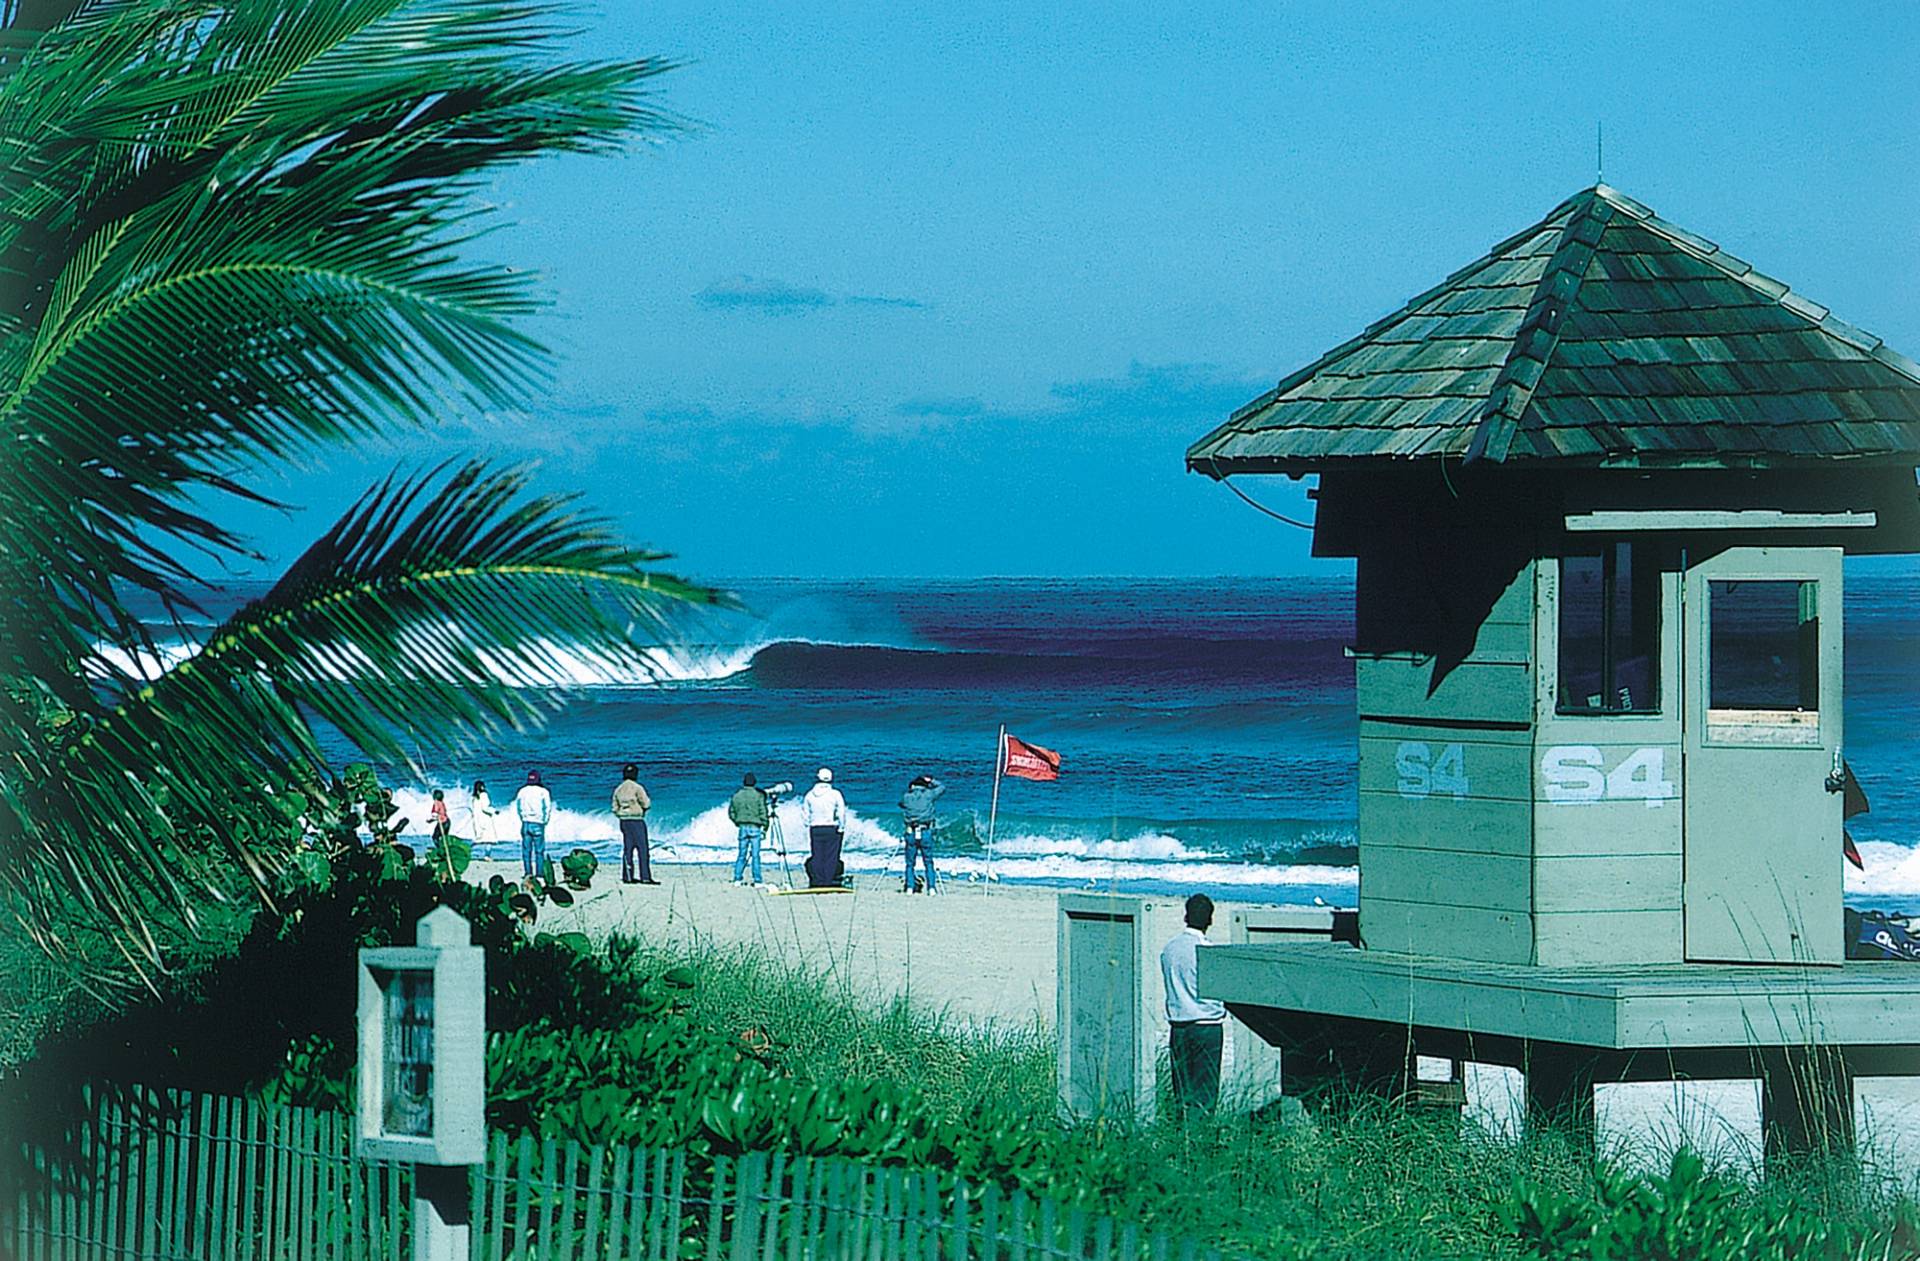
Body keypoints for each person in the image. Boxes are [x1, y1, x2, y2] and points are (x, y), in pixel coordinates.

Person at [1160, 893, 1226, 1116]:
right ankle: (1201, 1142)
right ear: (1210, 920)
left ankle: (1181, 1140)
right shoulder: (1207, 951)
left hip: (1178, 1026)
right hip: (1206, 1026)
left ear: (1186, 916)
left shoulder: (1169, 949)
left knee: (1182, 1092)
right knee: (1204, 1095)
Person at [897, 775, 945, 893]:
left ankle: (909, 887)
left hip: (911, 831)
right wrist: (931, 780)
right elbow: (942, 787)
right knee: (928, 861)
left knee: (910, 863)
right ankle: (931, 888)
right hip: (925, 831)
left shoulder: (906, 797)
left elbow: (901, 804)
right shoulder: (929, 794)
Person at [802, 767, 847, 888]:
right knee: (831, 856)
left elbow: (805, 814)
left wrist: (808, 824)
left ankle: (818, 880)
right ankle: (828, 881)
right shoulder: (835, 794)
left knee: (817, 855)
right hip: (831, 827)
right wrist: (841, 827)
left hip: (815, 827)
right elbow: (841, 812)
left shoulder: (810, 794)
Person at [612, 763, 656, 885]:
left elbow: (614, 808)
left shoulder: (619, 789)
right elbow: (646, 804)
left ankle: (628, 876)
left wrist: (622, 814)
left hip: (624, 821)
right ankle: (645, 877)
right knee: (643, 849)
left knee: (628, 849)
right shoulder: (637, 788)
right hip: (636, 820)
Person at [728, 773, 770, 886]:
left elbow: (731, 812)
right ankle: (757, 880)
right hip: (755, 827)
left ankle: (737, 878)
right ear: (754, 782)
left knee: (742, 854)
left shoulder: (737, 795)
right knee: (755, 855)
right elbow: (763, 812)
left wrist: (736, 821)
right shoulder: (758, 795)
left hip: (742, 827)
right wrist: (765, 826)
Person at [515, 770, 553, 881]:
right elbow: (548, 808)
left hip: (525, 822)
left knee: (526, 851)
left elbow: (518, 807)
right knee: (539, 851)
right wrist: (545, 821)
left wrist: (522, 818)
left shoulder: (522, 791)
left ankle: (528, 873)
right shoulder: (543, 791)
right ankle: (539, 875)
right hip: (538, 822)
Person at [469, 779, 498, 845]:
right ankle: (487, 855)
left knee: (479, 839)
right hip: (485, 819)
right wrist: (494, 811)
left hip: (477, 820)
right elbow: (485, 808)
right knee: (489, 840)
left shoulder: (473, 797)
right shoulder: (484, 795)